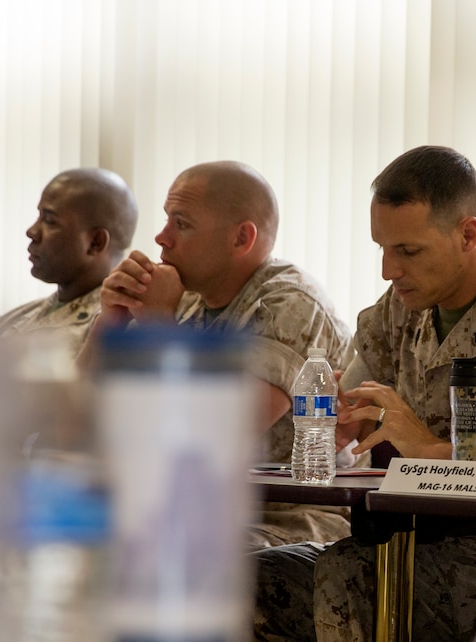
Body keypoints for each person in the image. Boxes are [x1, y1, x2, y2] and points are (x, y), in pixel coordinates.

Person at [251, 146, 476, 642]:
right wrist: (341, 419)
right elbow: (354, 406)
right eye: (382, 248)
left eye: (407, 251)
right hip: (414, 536)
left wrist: (442, 455)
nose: (388, 270)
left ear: (468, 234)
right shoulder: (401, 308)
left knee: (354, 578)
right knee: (246, 581)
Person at [87, 160, 355, 547]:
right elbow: (70, 422)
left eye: (181, 224)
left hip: (292, 517)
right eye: (166, 221)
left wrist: (159, 325)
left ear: (241, 238)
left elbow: (213, 437)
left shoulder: (290, 303)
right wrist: (109, 321)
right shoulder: (186, 299)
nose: (161, 238)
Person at [0, 168, 138, 360]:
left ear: (95, 242)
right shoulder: (10, 322)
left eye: (49, 221)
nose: (32, 231)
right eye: (39, 216)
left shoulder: (125, 331)